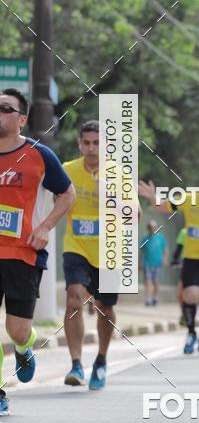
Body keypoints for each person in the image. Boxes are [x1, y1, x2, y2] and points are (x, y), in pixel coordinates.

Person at [0, 89, 76, 415]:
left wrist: (45, 227)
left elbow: (68, 194)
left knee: (16, 329)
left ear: (22, 119)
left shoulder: (39, 154)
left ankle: (24, 346)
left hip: (23, 253)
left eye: (5, 108)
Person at [62, 120, 135, 390]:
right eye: (86, 143)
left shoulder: (119, 174)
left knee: (105, 309)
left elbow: (135, 215)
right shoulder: (67, 170)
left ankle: (101, 360)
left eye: (97, 143)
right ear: (79, 144)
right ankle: (76, 364)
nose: (91, 148)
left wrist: (112, 199)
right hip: (76, 245)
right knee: (74, 298)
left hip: (109, 251)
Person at [139, 169, 199, 355]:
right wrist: (152, 196)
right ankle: (191, 332)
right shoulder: (189, 198)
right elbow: (163, 206)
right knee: (190, 295)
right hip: (192, 257)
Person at [141, 220, 169, 306]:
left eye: (153, 227)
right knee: (148, 280)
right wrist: (139, 264)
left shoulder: (161, 238)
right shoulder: (145, 238)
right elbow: (141, 252)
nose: (152, 229)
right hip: (147, 263)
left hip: (158, 263)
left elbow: (165, 249)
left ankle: (155, 297)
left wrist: (165, 259)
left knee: (156, 281)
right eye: (150, 227)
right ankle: (148, 298)